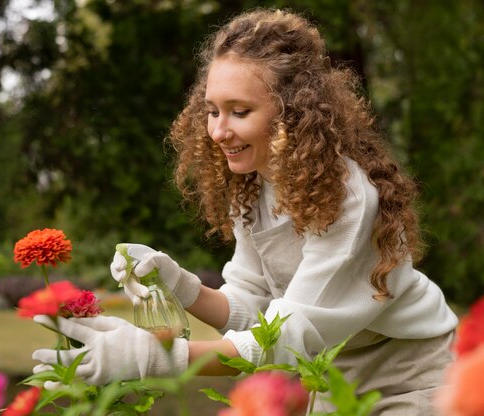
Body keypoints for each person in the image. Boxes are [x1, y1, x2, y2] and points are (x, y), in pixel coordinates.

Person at [32, 8, 458, 415]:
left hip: (411, 375)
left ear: (294, 112)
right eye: (212, 111)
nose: (218, 131)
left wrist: (155, 357)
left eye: (240, 112)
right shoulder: (255, 187)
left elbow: (283, 340)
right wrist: (183, 287)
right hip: (333, 373)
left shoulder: (347, 199)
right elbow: (251, 307)